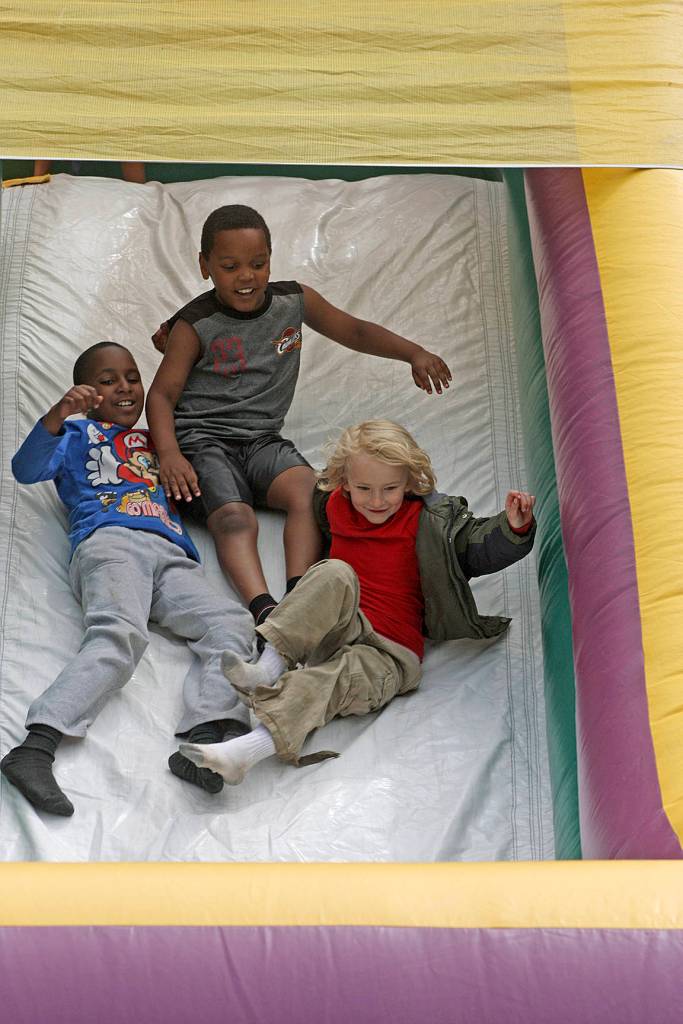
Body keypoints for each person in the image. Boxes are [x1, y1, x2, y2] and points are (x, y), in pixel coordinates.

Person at [177, 419, 536, 786]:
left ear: (410, 482)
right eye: (364, 488)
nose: (376, 501)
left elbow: (477, 547)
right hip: (338, 630)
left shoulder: (429, 522)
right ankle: (268, 668)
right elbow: (300, 504)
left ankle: (243, 753)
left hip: (388, 655)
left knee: (327, 682)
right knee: (334, 571)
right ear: (344, 482)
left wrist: (513, 527)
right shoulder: (333, 505)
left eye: (390, 489)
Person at [146, 205, 453, 632]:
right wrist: (170, 454)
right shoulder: (196, 324)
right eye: (230, 266)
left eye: (258, 264)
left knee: (310, 492)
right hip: (204, 442)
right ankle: (263, 607)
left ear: (271, 257)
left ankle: (299, 595)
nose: (247, 276)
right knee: (236, 517)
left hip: (262, 441)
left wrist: (413, 353)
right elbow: (161, 395)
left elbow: (356, 330)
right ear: (205, 266)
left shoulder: (293, 301)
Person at [0, 342, 254, 817]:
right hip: (111, 539)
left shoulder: (161, 441)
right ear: (88, 392)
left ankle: (203, 739)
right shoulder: (76, 434)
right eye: (108, 379)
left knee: (231, 624)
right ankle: (35, 748)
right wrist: (60, 414)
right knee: (120, 635)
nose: (124, 387)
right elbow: (25, 468)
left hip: (172, 555)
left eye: (133, 377)